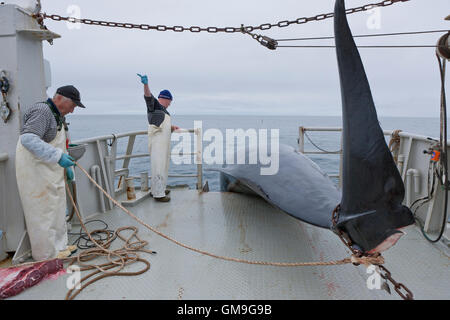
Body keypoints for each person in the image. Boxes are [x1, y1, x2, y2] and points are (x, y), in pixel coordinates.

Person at [15, 85, 85, 261]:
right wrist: (58, 156)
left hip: (51, 171)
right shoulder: (43, 111)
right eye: (73, 106)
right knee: (43, 212)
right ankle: (46, 255)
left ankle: (60, 246)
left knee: (57, 207)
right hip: (36, 172)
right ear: (60, 99)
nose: (73, 110)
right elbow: (28, 139)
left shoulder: (58, 116)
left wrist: (66, 164)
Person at [137, 74, 179, 202]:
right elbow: (148, 97)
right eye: (170, 102)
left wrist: (171, 127)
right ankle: (159, 195)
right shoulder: (154, 105)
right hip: (157, 143)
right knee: (158, 166)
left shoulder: (164, 112)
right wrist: (145, 84)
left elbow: (161, 124)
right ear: (166, 99)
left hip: (163, 142)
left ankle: (158, 189)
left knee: (163, 166)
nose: (170, 104)